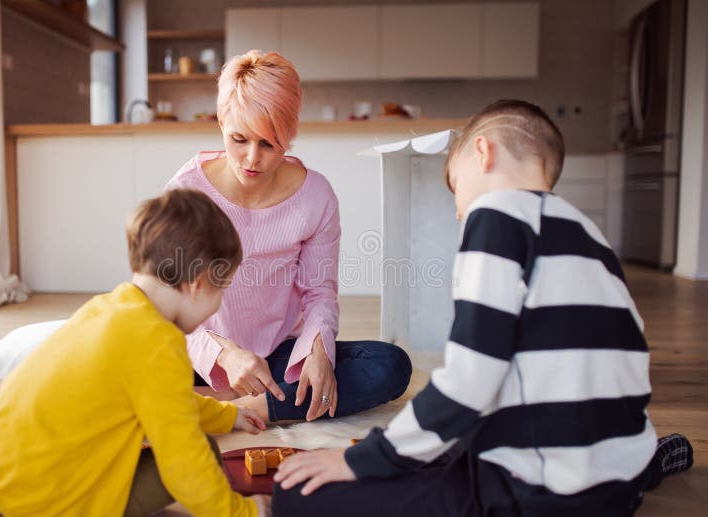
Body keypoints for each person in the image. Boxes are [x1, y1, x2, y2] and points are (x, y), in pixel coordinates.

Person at [272, 99, 694, 517]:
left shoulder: (497, 213)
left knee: (295, 493)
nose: (458, 213)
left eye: (456, 188)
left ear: (483, 152)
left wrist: (358, 461)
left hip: (540, 494)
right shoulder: (594, 240)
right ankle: (649, 462)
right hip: (619, 480)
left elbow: (469, 384)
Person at [0, 189, 271, 517]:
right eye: (221, 290)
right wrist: (245, 513)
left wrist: (227, 416)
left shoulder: (110, 307)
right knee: (201, 452)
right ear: (198, 284)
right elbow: (183, 463)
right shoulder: (159, 345)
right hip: (34, 503)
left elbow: (168, 399)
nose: (219, 304)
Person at [165, 49, 412, 423]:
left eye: (269, 144)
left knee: (391, 364)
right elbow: (169, 305)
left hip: (278, 354)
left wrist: (317, 351)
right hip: (203, 353)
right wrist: (225, 356)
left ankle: (239, 405)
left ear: (291, 134)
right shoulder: (185, 192)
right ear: (220, 121)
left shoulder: (316, 196)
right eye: (239, 139)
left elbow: (319, 293)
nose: (251, 159)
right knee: (117, 355)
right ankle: (240, 394)